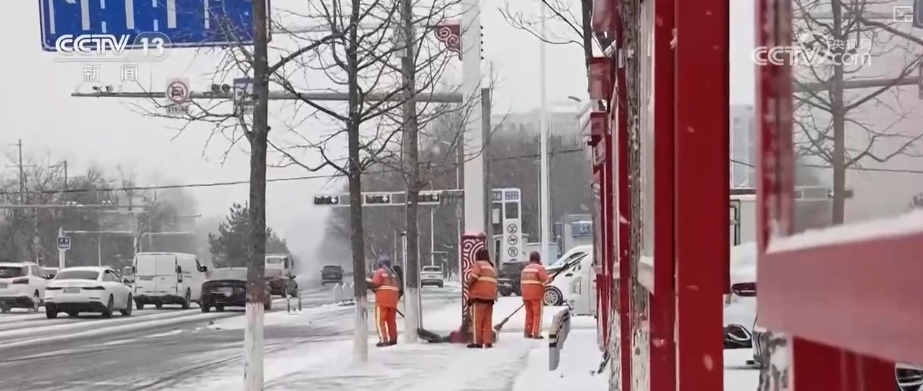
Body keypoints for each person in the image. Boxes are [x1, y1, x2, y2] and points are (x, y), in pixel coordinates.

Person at [466, 248, 498, 348]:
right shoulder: (491, 266)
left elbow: (474, 277)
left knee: (477, 321)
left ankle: (477, 342)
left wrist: (468, 283)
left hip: (479, 296)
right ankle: (488, 341)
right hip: (490, 297)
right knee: (487, 321)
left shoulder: (478, 264)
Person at [369, 255, 401, 347]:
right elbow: (398, 287)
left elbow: (375, 283)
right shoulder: (393, 274)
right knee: (391, 321)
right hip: (393, 301)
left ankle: (383, 340)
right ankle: (393, 339)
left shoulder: (380, 272)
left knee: (380, 320)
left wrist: (366, 281)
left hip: (382, 300)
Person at [520, 251, 551, 339]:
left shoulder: (525, 269)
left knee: (529, 314)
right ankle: (536, 334)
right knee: (537, 315)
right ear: (538, 259)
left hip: (526, 295)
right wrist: (550, 278)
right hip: (536, 295)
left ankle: (528, 332)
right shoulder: (539, 268)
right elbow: (545, 281)